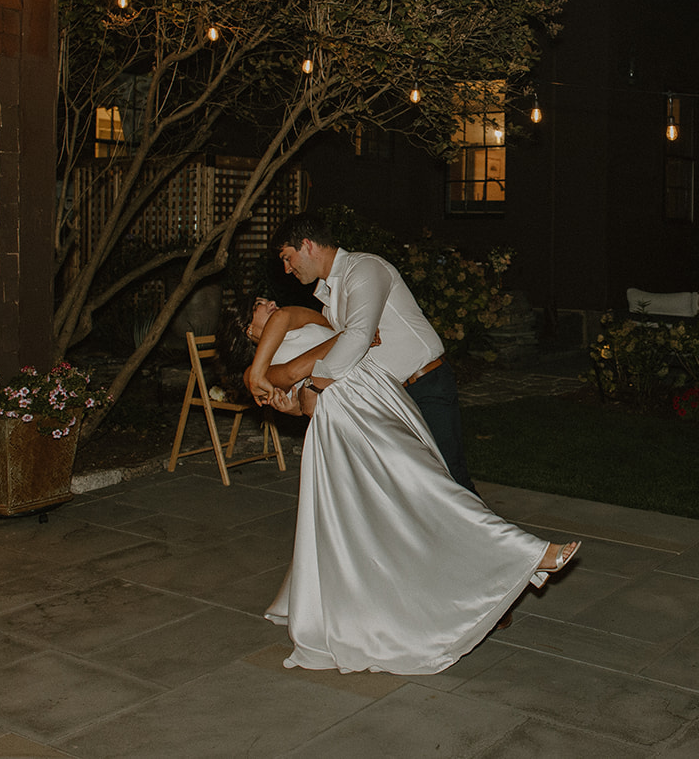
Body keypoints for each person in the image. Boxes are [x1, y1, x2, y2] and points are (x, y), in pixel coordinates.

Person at [239, 296, 580, 674]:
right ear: (246, 328)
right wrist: (334, 351)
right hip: (348, 416)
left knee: (414, 495)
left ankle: (460, 582)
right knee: (421, 488)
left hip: (379, 396)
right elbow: (293, 389)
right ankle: (527, 551)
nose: (269, 301)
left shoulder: (291, 320)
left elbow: (314, 342)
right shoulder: (260, 368)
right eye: (257, 304)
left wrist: (337, 348)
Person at [252, 211, 475, 493]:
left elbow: (358, 336)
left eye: (287, 257)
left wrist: (314, 386)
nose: (286, 268)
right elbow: (343, 354)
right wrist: (297, 402)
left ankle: (500, 538)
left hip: (425, 386)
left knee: (452, 484)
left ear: (307, 245)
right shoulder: (327, 300)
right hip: (389, 399)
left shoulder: (364, 268)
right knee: (412, 491)